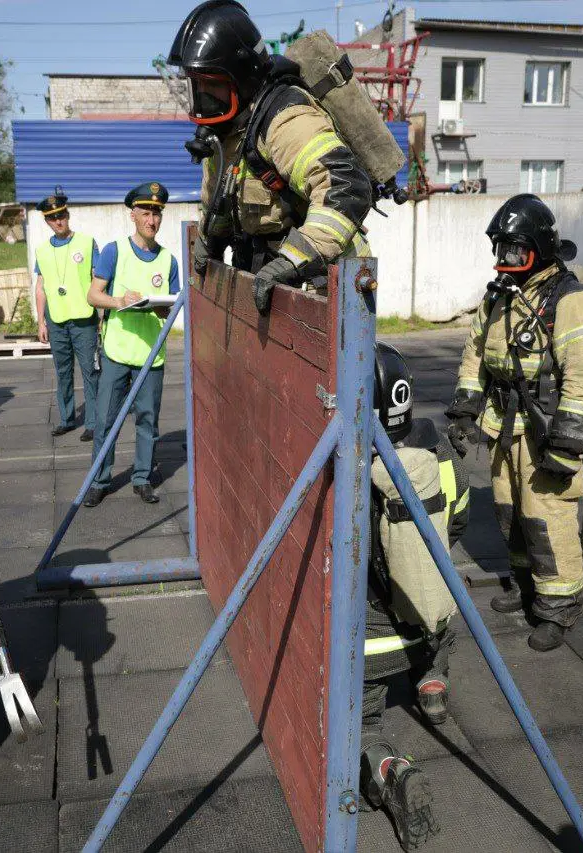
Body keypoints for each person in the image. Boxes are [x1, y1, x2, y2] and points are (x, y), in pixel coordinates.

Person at [445, 194, 583, 652]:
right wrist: (463, 410)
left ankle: (557, 608)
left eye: (514, 249)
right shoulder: (501, 294)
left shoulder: (574, 302)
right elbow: (476, 353)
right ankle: (526, 588)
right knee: (510, 514)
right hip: (504, 426)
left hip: (545, 430)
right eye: (500, 249)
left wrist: (567, 445)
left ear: (537, 246)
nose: (505, 259)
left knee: (547, 519)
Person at [168, 0, 373, 313]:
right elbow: (226, 194)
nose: (203, 98)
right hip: (274, 281)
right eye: (197, 86)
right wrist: (211, 237)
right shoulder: (229, 130)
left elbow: (345, 186)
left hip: (328, 281)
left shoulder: (284, 120)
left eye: (212, 85)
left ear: (240, 78)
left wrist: (292, 260)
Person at [361, 341, 469, 851]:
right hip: (433, 617)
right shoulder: (439, 452)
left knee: (358, 724)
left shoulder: (351, 468)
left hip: (372, 641)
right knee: (445, 584)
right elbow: (460, 519)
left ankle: (389, 769)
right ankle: (432, 682)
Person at [82, 182, 179, 508]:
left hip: (152, 355)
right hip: (117, 352)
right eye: (146, 213)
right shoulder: (114, 251)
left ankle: (141, 478)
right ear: (133, 215)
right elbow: (93, 295)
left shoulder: (169, 260)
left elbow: (175, 307)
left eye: (157, 214)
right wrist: (119, 301)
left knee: (148, 422)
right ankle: (99, 479)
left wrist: (161, 306)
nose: (152, 220)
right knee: (106, 420)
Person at [33, 190, 100, 441]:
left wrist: (102, 314)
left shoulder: (86, 242)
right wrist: (40, 321)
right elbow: (41, 287)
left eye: (61, 215)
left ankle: (93, 422)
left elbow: (97, 279)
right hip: (57, 320)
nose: (58, 221)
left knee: (90, 371)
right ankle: (66, 419)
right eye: (52, 218)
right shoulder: (41, 250)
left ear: (68, 215)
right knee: (62, 372)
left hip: (84, 319)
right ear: (47, 221)